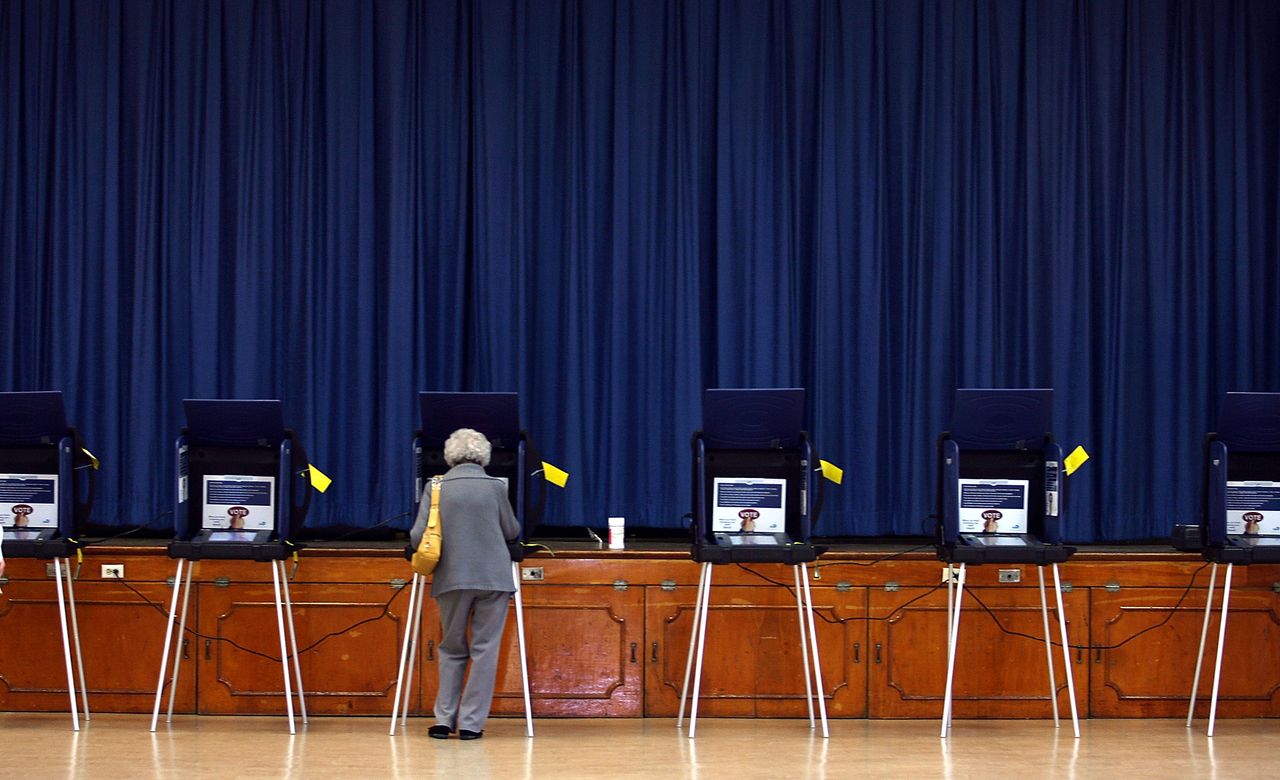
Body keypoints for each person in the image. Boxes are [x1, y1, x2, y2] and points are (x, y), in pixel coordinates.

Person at [410, 427, 519, 740]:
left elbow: (419, 536)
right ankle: (471, 724)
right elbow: (511, 529)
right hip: (493, 578)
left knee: (452, 648)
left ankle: (444, 720)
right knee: (485, 650)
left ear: (450, 456)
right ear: (483, 456)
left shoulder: (437, 486)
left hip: (452, 578)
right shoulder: (496, 487)